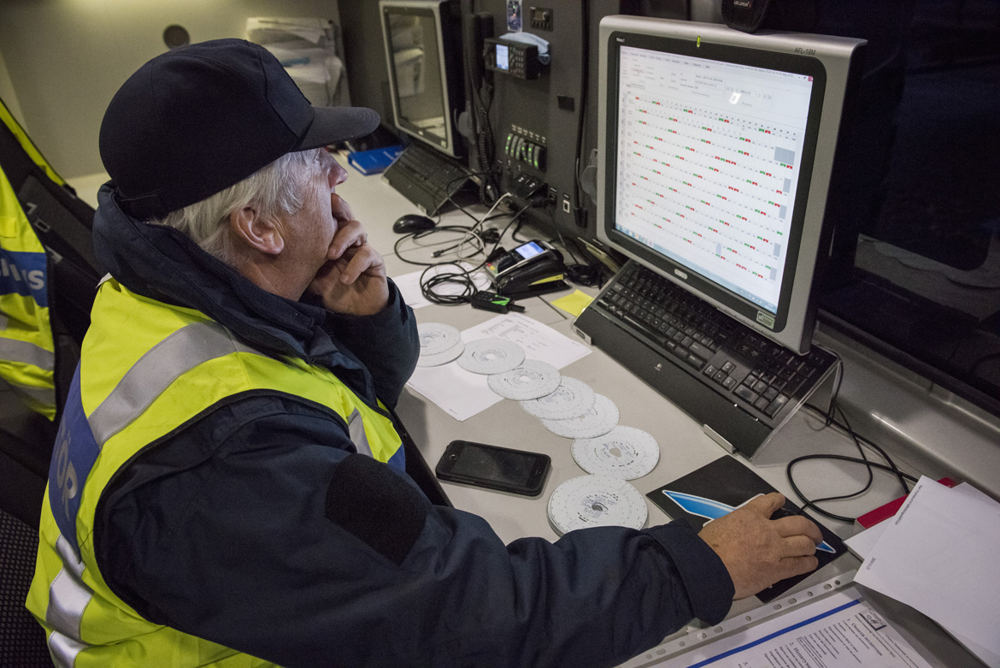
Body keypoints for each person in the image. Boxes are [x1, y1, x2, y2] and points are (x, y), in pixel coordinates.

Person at [27, 39, 823, 668]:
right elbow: (472, 621)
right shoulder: (224, 460)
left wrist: (368, 314)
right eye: (312, 167)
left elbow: (327, 392)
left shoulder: (166, 290)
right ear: (258, 230)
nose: (340, 175)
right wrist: (698, 565)